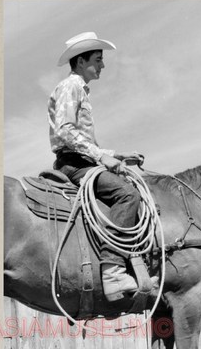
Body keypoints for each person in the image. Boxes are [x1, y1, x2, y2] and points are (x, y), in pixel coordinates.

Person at [49, 32, 156, 302]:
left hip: (81, 160)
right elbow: (65, 132)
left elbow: (82, 140)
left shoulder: (79, 90)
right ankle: (112, 271)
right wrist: (102, 157)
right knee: (127, 194)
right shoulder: (70, 87)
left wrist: (116, 155)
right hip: (74, 164)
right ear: (81, 60)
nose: (102, 66)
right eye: (98, 60)